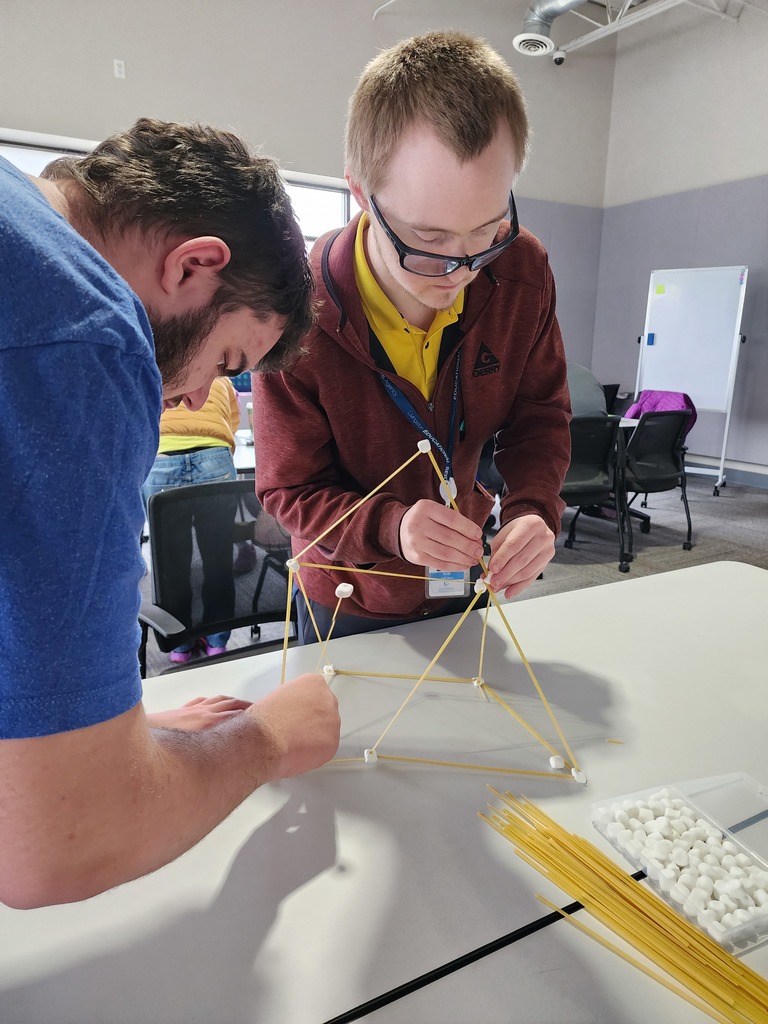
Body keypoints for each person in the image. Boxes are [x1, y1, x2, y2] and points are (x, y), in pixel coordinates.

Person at [0, 118, 340, 909]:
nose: (193, 397)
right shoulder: (86, 336)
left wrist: (107, 737)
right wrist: (266, 738)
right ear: (193, 264)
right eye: (226, 362)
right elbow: (60, 846)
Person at [253, 31, 572, 643]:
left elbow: (541, 414)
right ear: (360, 195)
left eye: (486, 231)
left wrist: (535, 508)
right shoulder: (295, 307)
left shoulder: (522, 272)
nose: (461, 270)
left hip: (468, 572)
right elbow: (288, 489)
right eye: (427, 241)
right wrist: (390, 527)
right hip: (346, 588)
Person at [142, 375, 255, 664]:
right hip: (213, 457)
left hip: (161, 458)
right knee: (218, 557)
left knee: (171, 564)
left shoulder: (155, 372)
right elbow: (230, 422)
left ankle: (181, 645)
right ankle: (217, 641)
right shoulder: (216, 377)